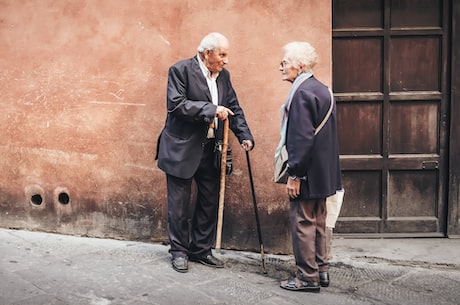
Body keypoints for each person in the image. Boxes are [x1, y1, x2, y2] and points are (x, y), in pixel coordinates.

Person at [156, 32, 255, 273]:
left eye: (226, 55)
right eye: (222, 54)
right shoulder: (180, 70)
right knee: (179, 205)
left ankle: (200, 249)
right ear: (207, 53)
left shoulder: (224, 76)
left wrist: (245, 135)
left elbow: (233, 107)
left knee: (209, 201)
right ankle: (179, 251)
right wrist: (211, 109)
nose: (226, 60)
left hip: (211, 149)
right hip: (181, 148)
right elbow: (177, 105)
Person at [276, 41, 342, 292]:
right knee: (318, 221)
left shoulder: (302, 93)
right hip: (323, 172)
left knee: (303, 222)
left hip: (307, 172)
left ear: (300, 65)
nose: (281, 67)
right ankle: (321, 270)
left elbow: (302, 138)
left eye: (285, 62)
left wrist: (295, 174)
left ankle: (307, 277)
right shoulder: (322, 89)